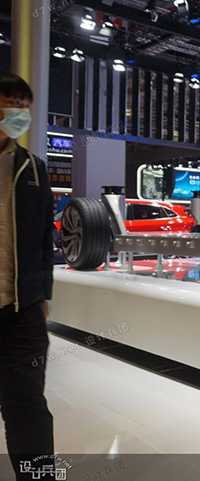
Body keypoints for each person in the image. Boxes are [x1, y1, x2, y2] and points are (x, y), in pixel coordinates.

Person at [0, 71, 55, 479]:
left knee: (28, 409)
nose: (19, 113)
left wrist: (43, 293)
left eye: (24, 107)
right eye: (10, 104)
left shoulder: (34, 170)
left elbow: (44, 240)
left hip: (22, 310)